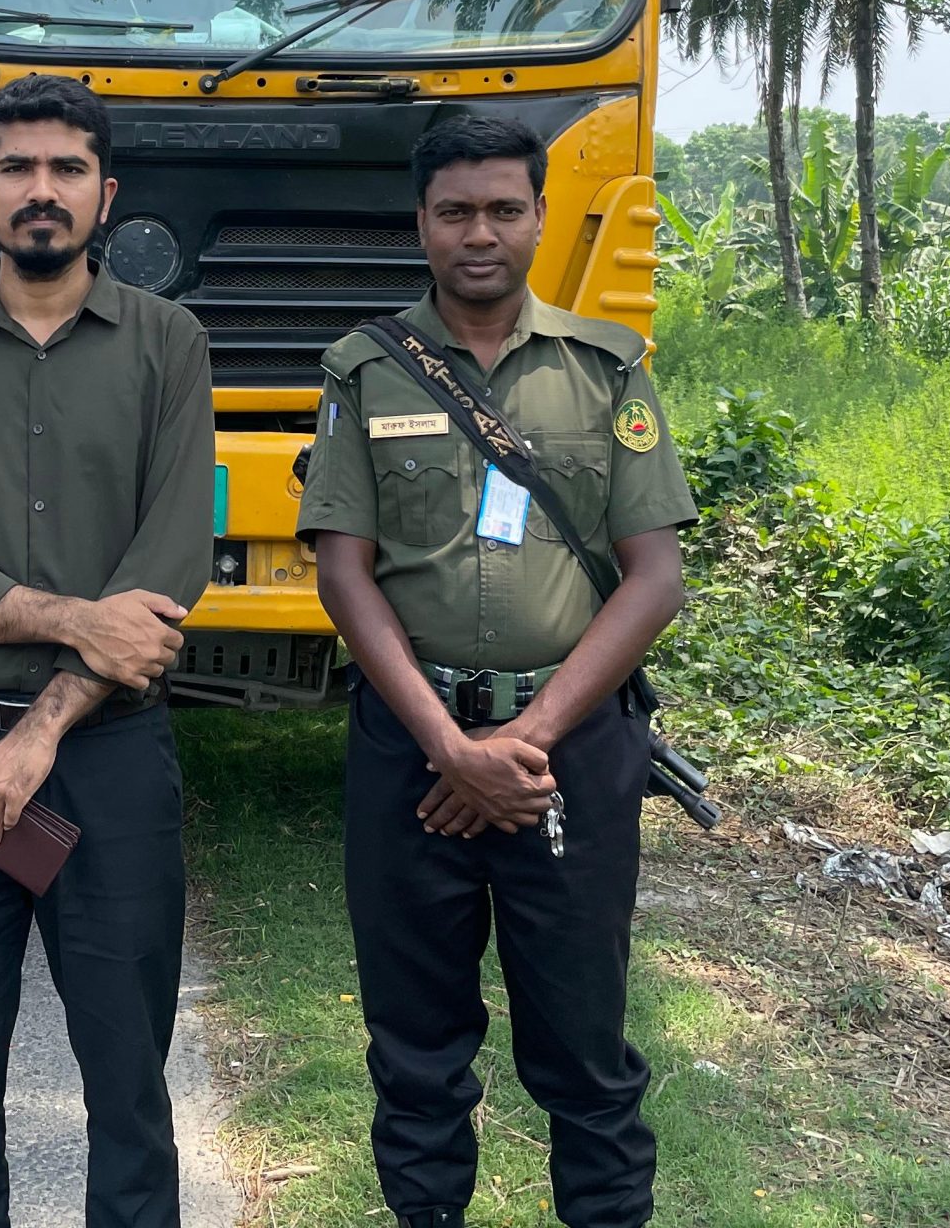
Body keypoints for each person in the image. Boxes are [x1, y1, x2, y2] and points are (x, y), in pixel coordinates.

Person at [296, 114, 698, 1228]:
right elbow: (343, 574)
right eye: (456, 212)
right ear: (421, 224)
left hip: (568, 758)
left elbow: (654, 577)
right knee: (415, 1051)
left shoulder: (606, 369)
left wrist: (517, 745)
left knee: (584, 1048)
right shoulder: (364, 371)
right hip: (409, 754)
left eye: (504, 210)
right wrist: (446, 746)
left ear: (539, 217)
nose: (480, 234)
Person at [0, 73, 215, 1228]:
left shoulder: (169, 345)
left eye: (67, 168)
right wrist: (73, 618)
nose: (42, 190)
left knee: (128, 1086)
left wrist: (42, 729)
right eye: (17, 168)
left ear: (106, 194)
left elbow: (167, 568)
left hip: (110, 761)